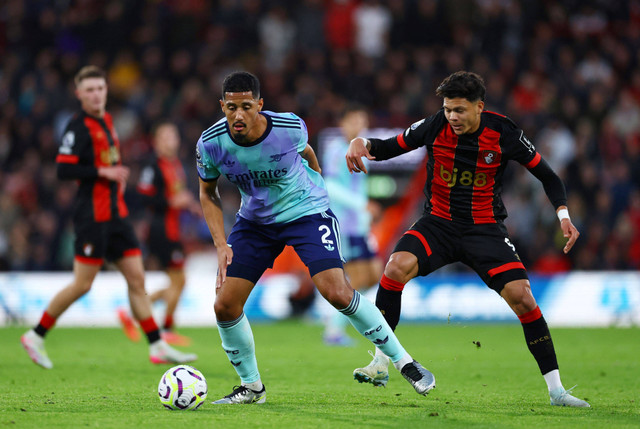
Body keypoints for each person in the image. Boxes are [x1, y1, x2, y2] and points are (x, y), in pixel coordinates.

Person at [345, 71, 590, 407]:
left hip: (484, 228)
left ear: (479, 107)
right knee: (395, 266)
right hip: (438, 223)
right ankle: (380, 363)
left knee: (523, 298)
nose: (453, 117)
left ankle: (557, 391)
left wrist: (563, 215)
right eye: (448, 109)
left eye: (460, 110)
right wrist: (363, 144)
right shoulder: (434, 125)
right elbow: (389, 147)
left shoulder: (504, 132)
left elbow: (547, 175)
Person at [197, 71, 434, 404]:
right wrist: (221, 245)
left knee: (337, 291)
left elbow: (306, 151)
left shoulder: (288, 127)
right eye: (231, 107)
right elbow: (207, 193)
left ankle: (404, 362)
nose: (239, 115)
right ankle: (251, 387)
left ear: (260, 105)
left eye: (246, 106)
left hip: (305, 213)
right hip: (254, 223)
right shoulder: (210, 143)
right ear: (222, 106)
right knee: (224, 304)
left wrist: (318, 182)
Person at [20, 66, 197, 369]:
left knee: (137, 279)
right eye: (89, 90)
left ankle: (157, 345)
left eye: (100, 88)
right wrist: (102, 172)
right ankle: (36, 335)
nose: (96, 94)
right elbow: (63, 168)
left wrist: (114, 176)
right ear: (79, 94)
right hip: (93, 216)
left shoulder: (108, 121)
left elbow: (107, 161)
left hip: (117, 215)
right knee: (82, 284)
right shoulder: (78, 127)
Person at [127, 121, 201, 346]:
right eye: (166, 137)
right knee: (179, 280)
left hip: (172, 229)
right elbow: (144, 197)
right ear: (157, 142)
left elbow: (176, 194)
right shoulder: (153, 166)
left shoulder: (175, 164)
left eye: (174, 136)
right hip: (160, 230)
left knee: (177, 281)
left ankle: (136, 315)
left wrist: (188, 203)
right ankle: (166, 327)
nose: (172, 140)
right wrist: (172, 201)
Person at [320, 104, 383, 346]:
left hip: (359, 225)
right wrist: (362, 205)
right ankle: (334, 330)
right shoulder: (337, 150)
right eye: (354, 121)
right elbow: (331, 185)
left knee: (372, 275)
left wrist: (365, 216)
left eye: (362, 122)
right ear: (343, 123)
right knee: (355, 279)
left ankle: (338, 323)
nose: (359, 126)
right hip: (343, 225)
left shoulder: (362, 151)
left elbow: (360, 186)